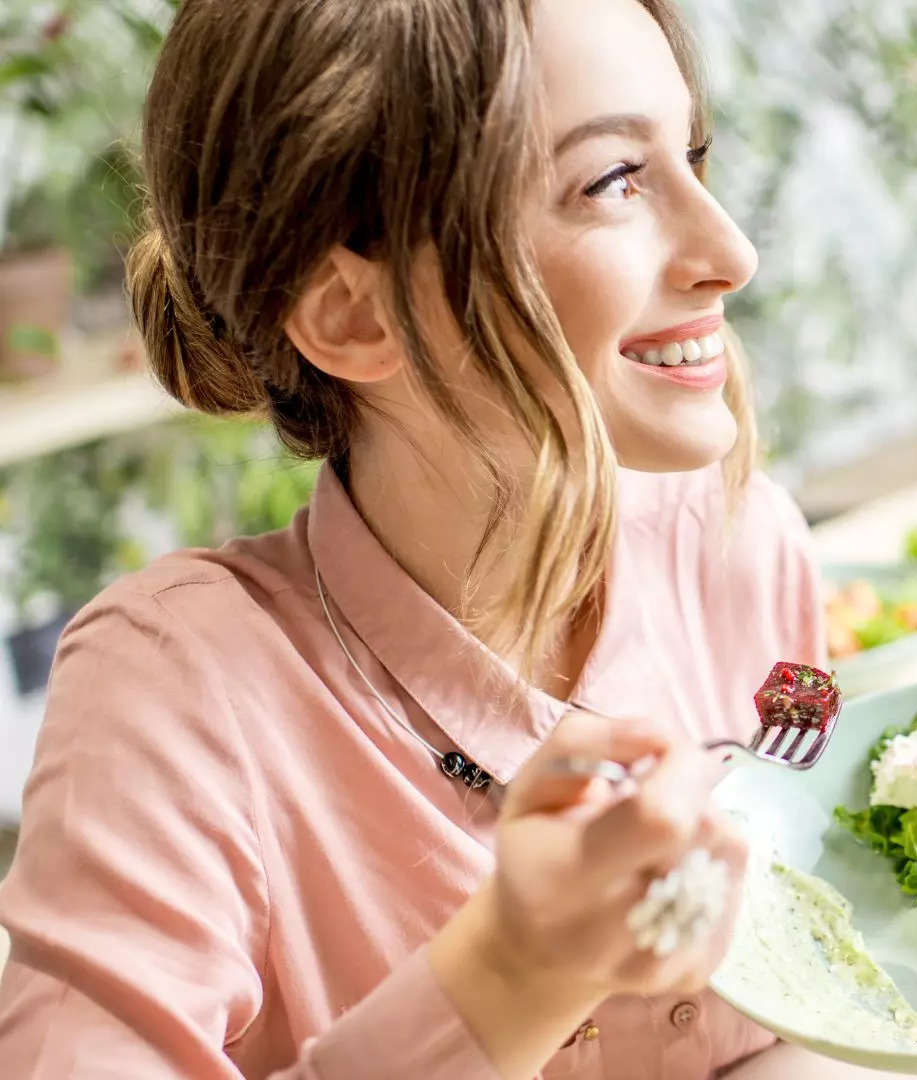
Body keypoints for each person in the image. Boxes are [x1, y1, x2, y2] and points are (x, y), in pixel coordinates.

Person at [0, 1, 824, 1076]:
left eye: (693, 157)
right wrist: (511, 975)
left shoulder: (743, 545)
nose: (732, 251)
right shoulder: (174, 690)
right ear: (352, 316)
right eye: (613, 180)